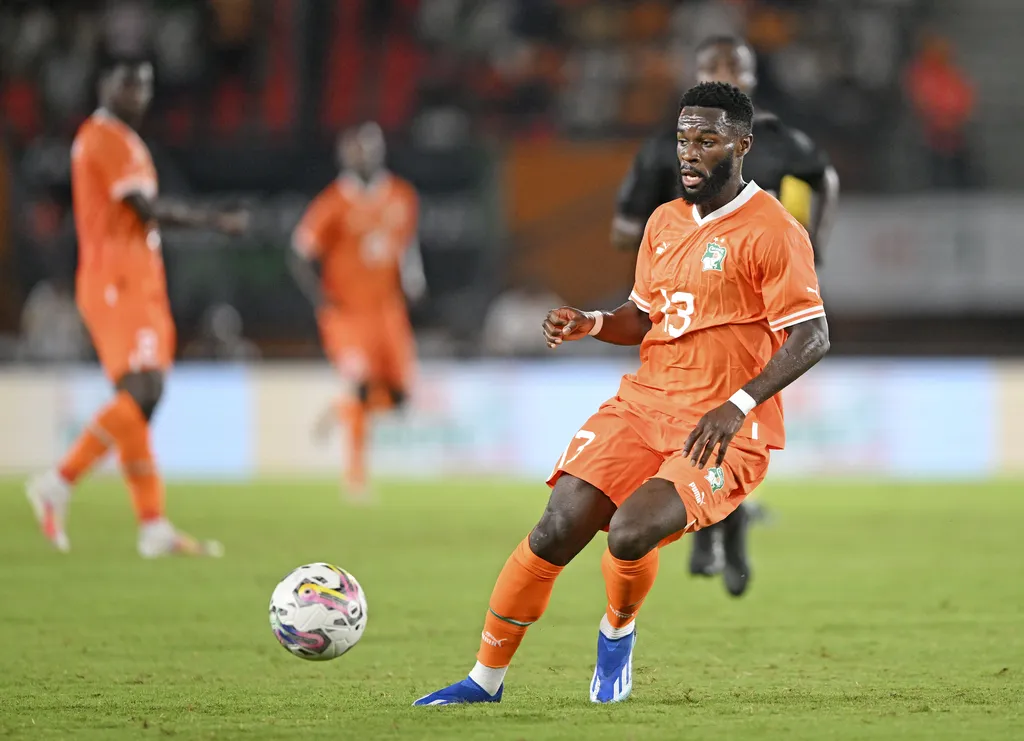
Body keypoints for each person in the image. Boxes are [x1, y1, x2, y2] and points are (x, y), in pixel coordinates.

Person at [413, 82, 829, 706]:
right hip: (644, 404)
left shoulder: (774, 230)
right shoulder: (662, 222)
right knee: (558, 524)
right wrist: (593, 323)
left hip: (723, 426)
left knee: (629, 533)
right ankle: (484, 681)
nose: (690, 153)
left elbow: (812, 335)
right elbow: (643, 315)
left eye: (707, 141)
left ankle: (617, 633)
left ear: (742, 146)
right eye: (684, 139)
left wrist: (737, 405)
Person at [612, 35, 840, 595]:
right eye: (712, 67)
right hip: (681, 307)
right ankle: (717, 533)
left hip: (752, 302)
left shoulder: (783, 142)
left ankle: (723, 533)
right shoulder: (663, 148)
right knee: (692, 423)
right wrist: (663, 240)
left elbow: (823, 179)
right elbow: (624, 222)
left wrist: (815, 245)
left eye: (734, 66)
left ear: (754, 77)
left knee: (731, 417)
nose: (724, 73)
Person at [25, 59, 248, 557]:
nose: (137, 94)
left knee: (138, 401)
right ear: (104, 84)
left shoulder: (123, 140)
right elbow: (143, 210)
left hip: (137, 279)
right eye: (128, 84)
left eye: (144, 86)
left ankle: (152, 525)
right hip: (117, 279)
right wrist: (214, 220)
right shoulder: (105, 138)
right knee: (144, 393)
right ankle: (58, 482)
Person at [290, 122, 424, 501]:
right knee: (361, 384)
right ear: (344, 155)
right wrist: (320, 298)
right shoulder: (332, 202)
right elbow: (300, 253)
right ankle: (355, 478)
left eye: (368, 147)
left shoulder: (401, 194)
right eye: (355, 149)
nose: (362, 155)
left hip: (388, 310)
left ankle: (340, 408)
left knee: (398, 397)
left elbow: (406, 247)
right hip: (347, 314)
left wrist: (414, 281)